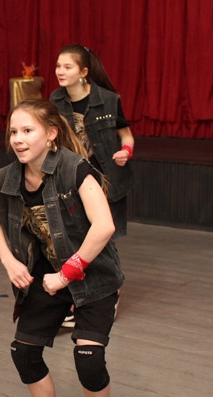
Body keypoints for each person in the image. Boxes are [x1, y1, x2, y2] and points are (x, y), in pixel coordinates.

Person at [0, 99, 124, 397]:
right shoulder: (7, 178)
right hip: (47, 276)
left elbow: (104, 226)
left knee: (88, 360)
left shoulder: (75, 169)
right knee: (24, 353)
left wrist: (65, 275)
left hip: (93, 278)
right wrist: (9, 262)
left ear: (51, 133)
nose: (17, 139)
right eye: (13, 132)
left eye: (27, 130)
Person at [50, 44, 133, 328]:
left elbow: (127, 136)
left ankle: (110, 293)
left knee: (104, 238)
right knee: (79, 236)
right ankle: (83, 294)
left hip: (108, 179)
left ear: (83, 72)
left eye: (67, 67)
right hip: (74, 178)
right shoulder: (55, 100)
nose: (60, 71)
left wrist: (126, 152)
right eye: (58, 66)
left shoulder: (108, 100)